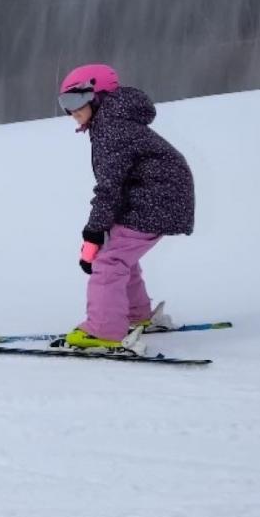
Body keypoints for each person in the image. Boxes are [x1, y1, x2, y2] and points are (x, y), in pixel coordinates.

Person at [56, 64, 195, 350]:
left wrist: (93, 232)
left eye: (76, 100)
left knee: (108, 262)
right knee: (117, 254)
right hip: (157, 195)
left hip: (157, 196)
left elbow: (109, 188)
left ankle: (104, 330)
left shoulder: (111, 128)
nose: (72, 111)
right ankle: (137, 316)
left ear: (98, 96)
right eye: (64, 103)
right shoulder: (112, 122)